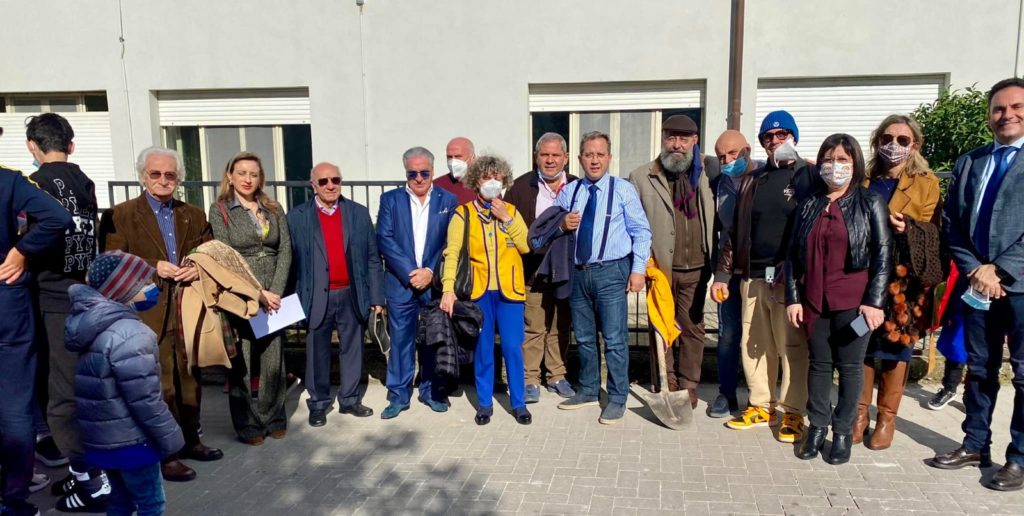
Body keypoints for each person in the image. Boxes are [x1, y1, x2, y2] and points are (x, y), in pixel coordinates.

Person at [99, 146, 220, 482]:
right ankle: (165, 453)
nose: (164, 180)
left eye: (170, 175)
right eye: (156, 174)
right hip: (145, 312)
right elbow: (111, 263)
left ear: (178, 179)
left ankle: (191, 440)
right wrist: (154, 267)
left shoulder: (192, 214)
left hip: (187, 308)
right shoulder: (120, 215)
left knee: (189, 380)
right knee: (158, 385)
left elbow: (208, 251)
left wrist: (197, 268)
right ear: (143, 176)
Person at [931, 78, 1024, 491]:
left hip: (1019, 286)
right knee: (980, 368)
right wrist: (975, 270)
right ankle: (975, 444)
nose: (1007, 115)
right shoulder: (971, 162)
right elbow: (952, 222)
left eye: (1016, 107)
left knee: (1023, 375)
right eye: (999, 109)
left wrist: (1000, 270)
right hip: (977, 286)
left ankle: (1019, 458)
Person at [20, 113, 110, 511]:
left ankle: (90, 482)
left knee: (60, 399)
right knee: (79, 388)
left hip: (49, 299)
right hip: (83, 293)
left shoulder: (33, 185)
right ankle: (76, 466)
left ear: (32, 147)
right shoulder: (84, 182)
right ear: (71, 145)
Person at [785, 134, 893, 465]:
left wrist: (874, 301)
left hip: (855, 302)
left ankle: (843, 432)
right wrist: (793, 297)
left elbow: (883, 254)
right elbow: (791, 255)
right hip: (814, 300)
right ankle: (817, 426)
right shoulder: (808, 205)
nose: (836, 166)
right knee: (818, 366)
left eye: (843, 160)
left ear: (855, 164)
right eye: (830, 160)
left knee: (849, 368)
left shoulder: (870, 202)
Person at [711, 110, 818, 443]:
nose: (775, 142)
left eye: (782, 135)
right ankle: (761, 405)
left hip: (789, 281)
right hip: (753, 277)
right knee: (754, 345)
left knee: (792, 347)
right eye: (769, 138)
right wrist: (722, 276)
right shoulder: (753, 181)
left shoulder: (808, 176)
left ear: (794, 138)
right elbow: (733, 233)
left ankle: (793, 412)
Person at [66, 251, 185, 516]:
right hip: (133, 443)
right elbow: (145, 399)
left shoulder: (92, 327)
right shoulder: (133, 334)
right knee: (151, 504)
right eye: (145, 283)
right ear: (125, 290)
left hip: (102, 440)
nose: (153, 287)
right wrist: (171, 438)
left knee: (119, 503)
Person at [552, 131, 652, 425]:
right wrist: (562, 223)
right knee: (583, 338)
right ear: (579, 158)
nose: (594, 160)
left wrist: (638, 269)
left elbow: (641, 231)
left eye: (600, 154)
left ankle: (618, 397)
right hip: (579, 274)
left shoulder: (623, 190)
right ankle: (589, 390)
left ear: (609, 158)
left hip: (611, 272)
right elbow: (552, 228)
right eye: (588, 154)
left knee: (615, 339)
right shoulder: (570, 192)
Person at [855, 115, 942, 450]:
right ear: (877, 141)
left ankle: (886, 418)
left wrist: (910, 230)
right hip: (864, 271)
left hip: (903, 278)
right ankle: (859, 414)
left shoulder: (926, 182)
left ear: (914, 146)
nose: (894, 145)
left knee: (896, 345)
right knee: (862, 341)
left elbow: (935, 233)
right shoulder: (864, 178)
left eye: (903, 140)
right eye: (887, 138)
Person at [0, 123, 73, 516]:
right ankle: (12, 499)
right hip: (7, 306)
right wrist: (21, 251)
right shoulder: (9, 181)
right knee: (14, 407)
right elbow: (57, 217)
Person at [629, 115, 718, 407]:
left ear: (695, 142)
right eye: (671, 138)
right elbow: (633, 225)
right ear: (663, 140)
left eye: (684, 139)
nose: (676, 145)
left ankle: (690, 383)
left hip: (696, 267)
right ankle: (667, 382)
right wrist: (640, 266)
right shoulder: (642, 177)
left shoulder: (709, 174)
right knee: (662, 327)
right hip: (661, 269)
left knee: (692, 328)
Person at [288, 162, 384, 427]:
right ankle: (318, 404)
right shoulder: (297, 217)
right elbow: (290, 261)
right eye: (323, 181)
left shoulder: (358, 213)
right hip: (316, 296)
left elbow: (372, 259)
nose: (330, 185)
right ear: (313, 186)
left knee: (353, 349)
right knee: (317, 352)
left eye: (335, 180)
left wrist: (377, 297)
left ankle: (350, 399)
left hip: (351, 293)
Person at [439, 156, 532, 426]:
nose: (492, 182)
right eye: (485, 177)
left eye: (497, 177)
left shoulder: (511, 211)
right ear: (476, 181)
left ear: (504, 181)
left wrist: (506, 218)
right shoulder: (463, 213)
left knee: (513, 347)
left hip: (510, 293)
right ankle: (485, 403)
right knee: (483, 349)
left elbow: (526, 246)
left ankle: (519, 403)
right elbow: (452, 252)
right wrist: (448, 289)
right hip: (479, 292)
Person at [208, 152, 292, 445]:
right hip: (240, 294)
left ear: (260, 179)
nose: (247, 179)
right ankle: (247, 425)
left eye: (253, 174)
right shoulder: (220, 210)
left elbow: (285, 250)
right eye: (241, 173)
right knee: (241, 362)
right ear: (230, 176)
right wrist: (256, 293)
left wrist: (276, 291)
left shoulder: (272, 207)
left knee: (273, 361)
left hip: (274, 294)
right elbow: (225, 255)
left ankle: (273, 417)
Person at [377, 147, 458, 418]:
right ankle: (399, 395)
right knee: (401, 340)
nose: (419, 178)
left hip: (433, 283)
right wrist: (413, 272)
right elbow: (385, 239)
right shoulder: (390, 200)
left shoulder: (449, 200)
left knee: (432, 340)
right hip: (402, 283)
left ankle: (431, 391)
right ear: (406, 173)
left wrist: (430, 272)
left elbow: (451, 242)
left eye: (424, 172)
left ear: (433, 171)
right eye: (413, 173)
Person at [504, 133, 577, 403]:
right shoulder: (521, 187)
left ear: (566, 158)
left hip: (567, 271)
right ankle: (530, 379)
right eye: (544, 155)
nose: (550, 160)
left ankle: (557, 375)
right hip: (533, 270)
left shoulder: (578, 186)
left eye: (555, 155)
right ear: (536, 157)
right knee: (534, 327)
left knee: (560, 326)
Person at [707, 129, 755, 418]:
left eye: (733, 153)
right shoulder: (718, 184)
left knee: (760, 337)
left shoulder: (764, 176)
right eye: (721, 156)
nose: (727, 160)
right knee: (727, 336)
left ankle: (760, 397)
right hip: (727, 272)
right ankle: (726, 394)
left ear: (747, 150)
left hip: (760, 272)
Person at [433, 137, 478, 204]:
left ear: (473, 158)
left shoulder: (484, 186)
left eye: (458, 156)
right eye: (449, 157)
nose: (453, 161)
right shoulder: (436, 186)